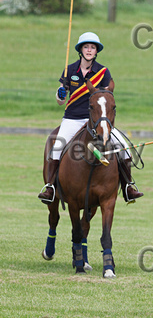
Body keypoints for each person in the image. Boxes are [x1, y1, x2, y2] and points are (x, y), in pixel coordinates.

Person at [38, 32, 144, 204]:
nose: (89, 50)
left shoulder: (103, 72)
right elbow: (60, 102)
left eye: (92, 47)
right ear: (80, 50)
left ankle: (128, 186)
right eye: (86, 47)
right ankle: (50, 187)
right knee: (57, 147)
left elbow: (106, 98)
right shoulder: (69, 70)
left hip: (97, 121)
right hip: (72, 119)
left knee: (124, 147)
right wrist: (60, 93)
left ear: (96, 51)